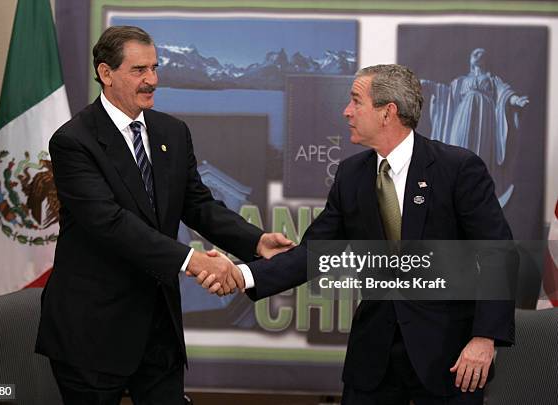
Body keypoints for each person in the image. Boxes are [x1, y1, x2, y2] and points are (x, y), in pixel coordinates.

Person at [198, 64, 515, 404]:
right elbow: (314, 252)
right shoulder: (352, 175)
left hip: (449, 359)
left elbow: (499, 253)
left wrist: (485, 338)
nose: (346, 111)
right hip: (374, 359)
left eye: (355, 101)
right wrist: (242, 274)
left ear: (387, 112)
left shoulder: (457, 168)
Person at [35, 26, 293, 405]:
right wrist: (192, 260)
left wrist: (253, 240)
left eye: (154, 68)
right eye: (139, 70)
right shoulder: (74, 141)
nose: (152, 80)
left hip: (159, 328)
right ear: (106, 74)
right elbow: (111, 224)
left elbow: (197, 204)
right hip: (94, 331)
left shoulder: (171, 130)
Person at [422, 48, 529, 205]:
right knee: (457, 148)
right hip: (463, 114)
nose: (477, 55)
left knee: (480, 154)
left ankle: (475, 194)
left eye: (481, 53)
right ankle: (455, 192)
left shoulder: (492, 80)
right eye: (475, 53)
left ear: (486, 60)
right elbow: (446, 94)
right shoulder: (460, 81)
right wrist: (429, 86)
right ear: (470, 60)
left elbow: (504, 93)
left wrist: (516, 100)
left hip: (485, 118)